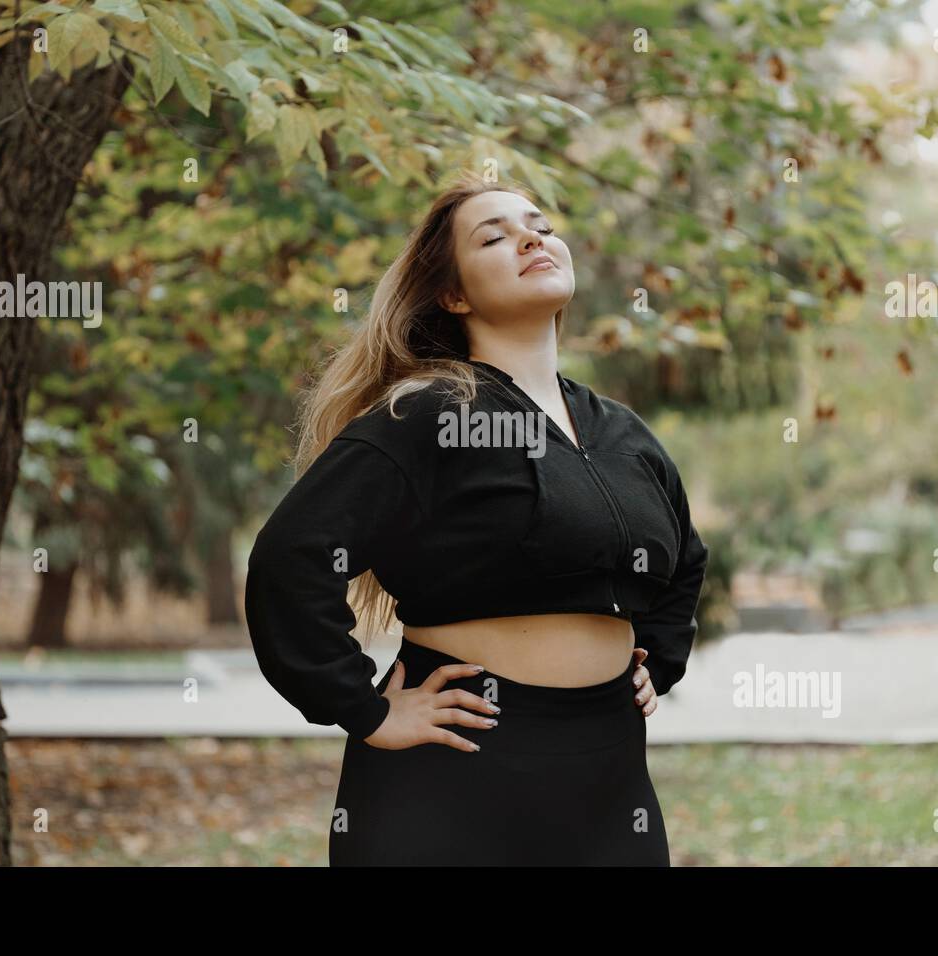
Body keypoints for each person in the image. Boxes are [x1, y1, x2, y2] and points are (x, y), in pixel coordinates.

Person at [244, 169, 708, 866]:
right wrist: (364, 709)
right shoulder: (430, 414)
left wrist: (661, 660)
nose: (530, 238)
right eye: (495, 236)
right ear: (452, 294)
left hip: (610, 772)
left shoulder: (622, 432)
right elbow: (292, 556)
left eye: (540, 226)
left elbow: (685, 559)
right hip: (459, 762)